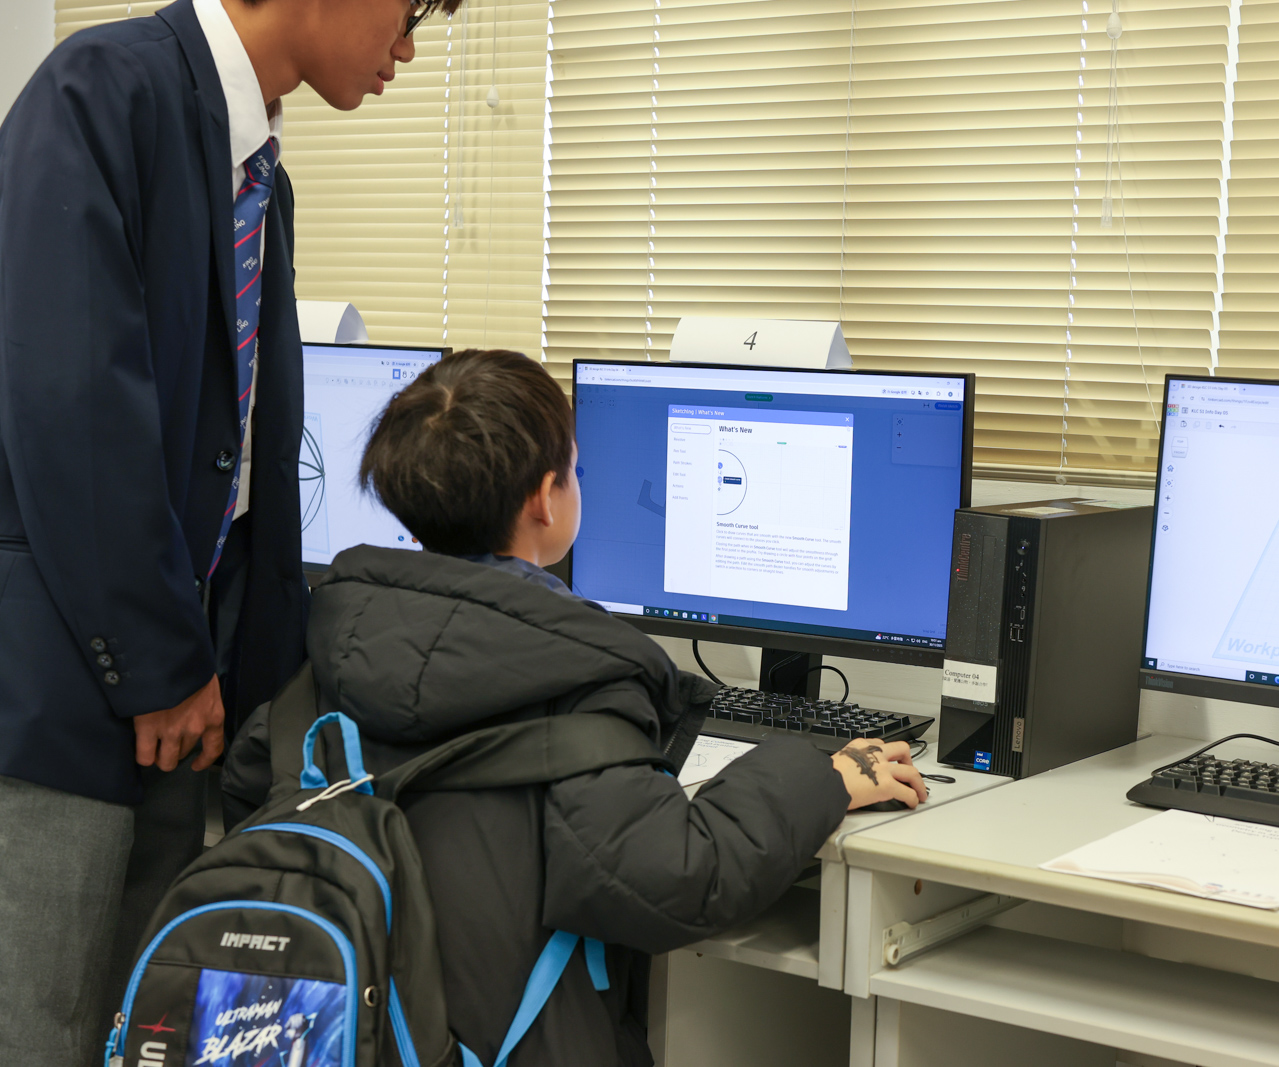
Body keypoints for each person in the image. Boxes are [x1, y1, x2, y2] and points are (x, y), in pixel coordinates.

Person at [223, 348, 927, 1066]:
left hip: (344, 1034)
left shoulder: (338, 647)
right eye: (574, 469)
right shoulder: (575, 680)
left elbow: (253, 781)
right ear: (545, 500)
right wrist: (822, 776)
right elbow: (677, 878)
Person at [0, 0, 458, 1061]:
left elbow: (242, 457)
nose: (405, 47)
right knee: (40, 1031)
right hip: (69, 697)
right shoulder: (102, 93)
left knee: (142, 1037)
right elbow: (75, 410)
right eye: (408, 13)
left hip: (185, 692)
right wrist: (161, 663)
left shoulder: (258, 175)